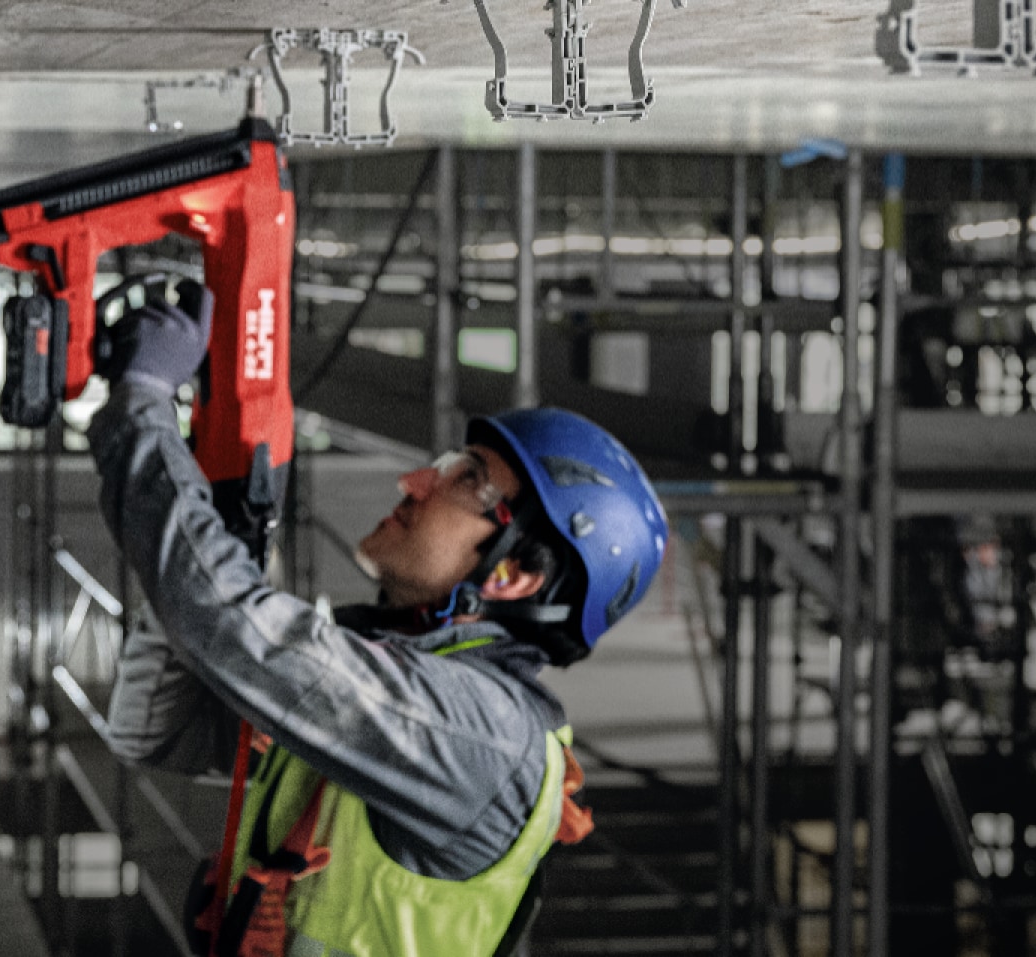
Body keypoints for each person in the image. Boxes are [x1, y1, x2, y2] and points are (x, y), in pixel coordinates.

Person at [88, 281, 669, 957]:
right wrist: (210, 511)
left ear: (513, 575)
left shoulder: (486, 738)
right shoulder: (387, 678)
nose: (415, 481)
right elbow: (156, 729)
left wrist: (144, 401)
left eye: (465, 479)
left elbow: (229, 624)